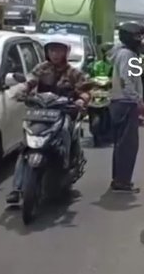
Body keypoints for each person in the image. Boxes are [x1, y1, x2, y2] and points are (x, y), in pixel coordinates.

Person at [6, 37, 91, 206]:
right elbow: (29, 82)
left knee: (66, 130)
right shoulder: (41, 68)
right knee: (26, 145)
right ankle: (16, 188)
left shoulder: (73, 72)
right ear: (47, 52)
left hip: (63, 112)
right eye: (52, 50)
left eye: (59, 51)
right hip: (41, 112)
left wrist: (82, 99)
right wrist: (21, 92)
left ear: (66, 53)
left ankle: (66, 162)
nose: (55, 54)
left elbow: (86, 88)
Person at [107, 21, 144, 192]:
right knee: (128, 145)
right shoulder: (127, 55)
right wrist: (138, 101)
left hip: (119, 102)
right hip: (125, 103)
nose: (140, 40)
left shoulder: (120, 53)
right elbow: (126, 81)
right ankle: (122, 181)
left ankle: (119, 179)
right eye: (137, 36)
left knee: (121, 144)